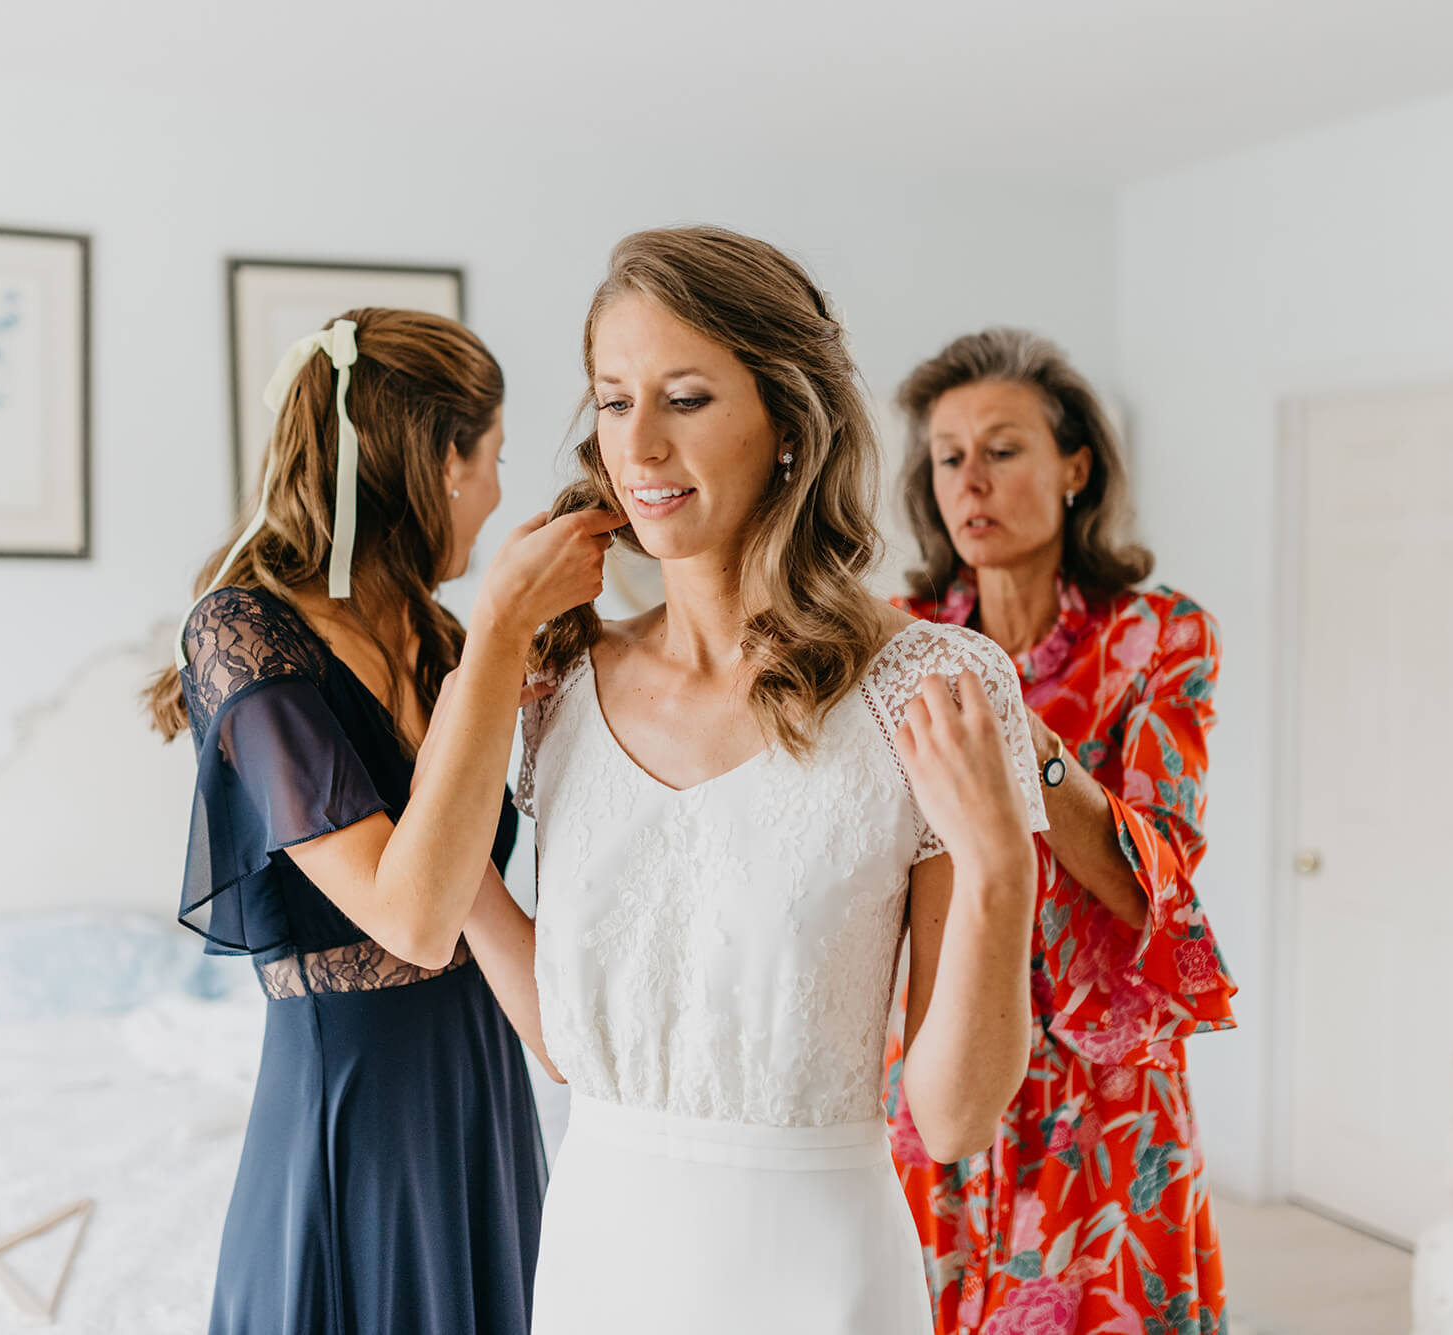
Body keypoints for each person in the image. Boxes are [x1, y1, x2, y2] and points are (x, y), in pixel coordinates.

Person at [447, 227, 1049, 1335]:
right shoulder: (557, 685)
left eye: (684, 398)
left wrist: (1001, 869)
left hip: (815, 1274)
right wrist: (435, 837)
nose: (639, 446)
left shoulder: (927, 687)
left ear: (788, 425)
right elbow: (571, 1045)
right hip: (596, 1256)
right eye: (613, 401)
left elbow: (954, 1120)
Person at [143, 308, 621, 1335]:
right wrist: (501, 630)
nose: (495, 493)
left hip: (481, 1087)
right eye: (493, 458)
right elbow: (409, 918)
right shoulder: (243, 633)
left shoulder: (443, 642)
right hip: (349, 1112)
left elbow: (475, 891)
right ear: (444, 463)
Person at [881, 328, 1237, 1335]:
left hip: (1102, 1083)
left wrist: (1030, 742)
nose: (970, 480)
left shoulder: (1160, 635)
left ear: (1075, 467)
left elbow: (1154, 883)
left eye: (1002, 449)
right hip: (943, 1052)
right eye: (948, 456)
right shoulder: (899, 639)